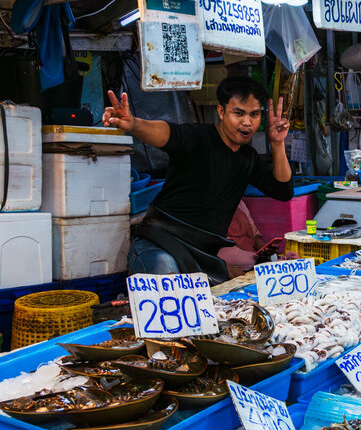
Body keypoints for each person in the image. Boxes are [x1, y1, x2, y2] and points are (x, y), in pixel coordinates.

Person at [103, 76, 294, 279]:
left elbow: (283, 191)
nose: (247, 122)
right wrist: (134, 124)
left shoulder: (248, 159)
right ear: (221, 112)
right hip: (159, 242)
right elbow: (167, 133)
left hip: (205, 255)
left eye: (254, 115)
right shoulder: (197, 138)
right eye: (238, 113)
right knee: (168, 279)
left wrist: (277, 144)